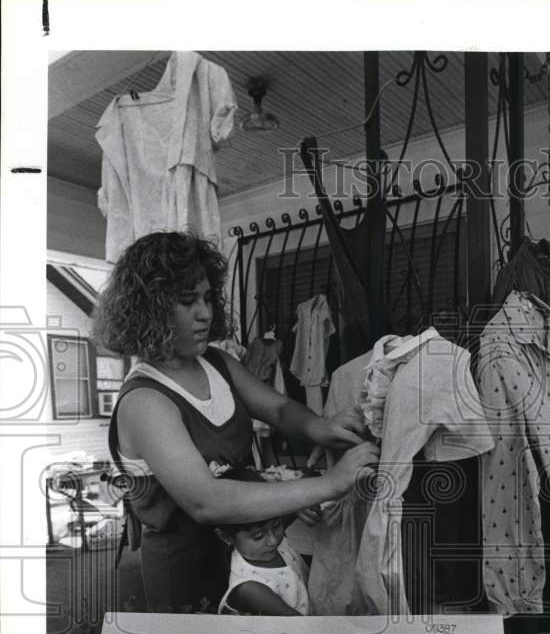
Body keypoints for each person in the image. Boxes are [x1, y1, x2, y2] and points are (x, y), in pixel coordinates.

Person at [95, 230, 376, 613]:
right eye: (187, 301)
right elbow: (207, 502)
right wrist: (331, 483)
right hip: (189, 574)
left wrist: (320, 428)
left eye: (208, 298)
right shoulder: (145, 401)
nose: (205, 313)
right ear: (151, 309)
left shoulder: (217, 363)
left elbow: (278, 410)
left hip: (248, 555)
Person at [213, 467, 310, 616]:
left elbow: (307, 484)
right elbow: (301, 625)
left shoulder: (265, 526)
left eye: (277, 525)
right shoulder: (252, 589)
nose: (273, 540)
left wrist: (303, 504)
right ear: (226, 537)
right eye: (258, 537)